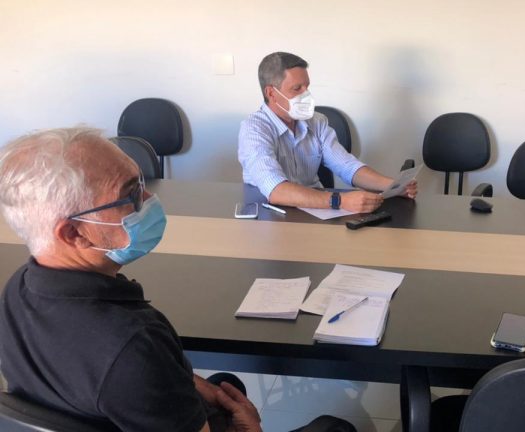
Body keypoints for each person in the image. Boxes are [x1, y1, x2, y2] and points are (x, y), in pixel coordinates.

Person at [0, 128, 355, 432]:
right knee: (335, 427)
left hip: (106, 409)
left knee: (225, 385)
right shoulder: (131, 345)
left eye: (142, 184)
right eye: (130, 195)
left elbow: (118, 374)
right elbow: (133, 365)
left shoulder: (19, 288)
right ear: (74, 233)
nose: (149, 199)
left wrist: (184, 380)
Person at [238, 52, 417, 213]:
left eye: (307, 87)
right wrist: (340, 201)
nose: (306, 95)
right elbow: (276, 190)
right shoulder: (253, 129)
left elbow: (347, 166)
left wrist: (393, 186)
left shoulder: (317, 122)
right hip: (271, 214)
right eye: (297, 88)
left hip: (316, 209)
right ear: (271, 93)